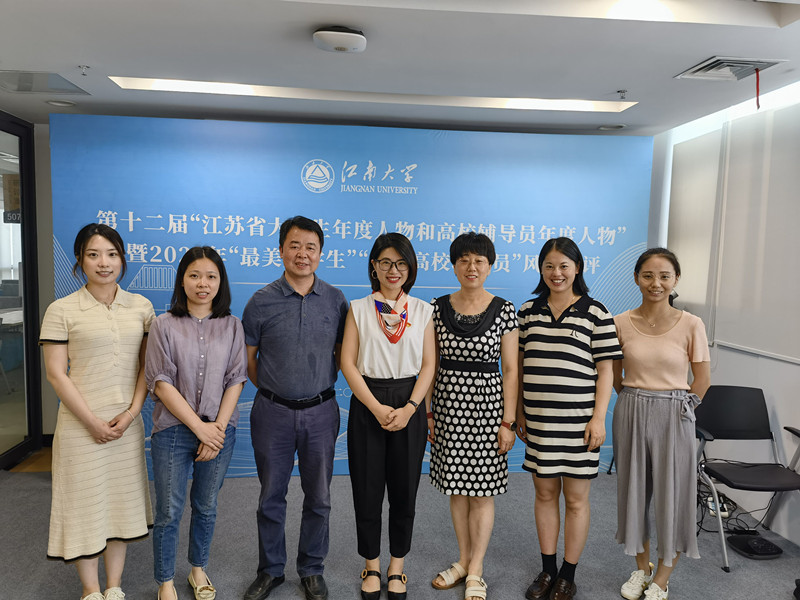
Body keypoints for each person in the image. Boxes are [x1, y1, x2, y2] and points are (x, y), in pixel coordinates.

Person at [39, 223, 154, 600]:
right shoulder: (61, 310)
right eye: (93, 255)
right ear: (79, 260)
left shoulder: (141, 307)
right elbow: (56, 374)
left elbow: (147, 367)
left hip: (126, 424)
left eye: (111, 254)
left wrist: (133, 412)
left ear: (122, 259)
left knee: (119, 504)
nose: (103, 263)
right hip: (80, 427)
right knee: (84, 505)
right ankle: (90, 590)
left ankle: (114, 586)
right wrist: (91, 422)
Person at [242, 216, 349, 600]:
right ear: (281, 250)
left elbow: (343, 355)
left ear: (320, 253)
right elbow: (249, 361)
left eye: (310, 247)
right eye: (295, 245)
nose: (302, 254)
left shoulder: (336, 300)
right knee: (271, 496)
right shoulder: (260, 301)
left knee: (319, 497)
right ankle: (270, 570)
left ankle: (311, 568)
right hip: (272, 412)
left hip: (321, 411)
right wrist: (279, 392)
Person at [516, 236, 622, 600]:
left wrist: (598, 419)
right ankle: (547, 570)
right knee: (545, 494)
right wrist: (519, 413)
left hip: (580, 425)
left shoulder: (597, 312)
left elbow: (606, 372)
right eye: (549, 266)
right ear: (540, 269)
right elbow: (519, 366)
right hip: (540, 422)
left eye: (564, 266)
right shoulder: (528, 311)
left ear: (578, 268)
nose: (556, 273)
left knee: (576, 500)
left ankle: (567, 574)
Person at [146, 246, 247, 600]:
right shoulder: (163, 325)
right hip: (173, 431)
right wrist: (200, 428)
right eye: (194, 276)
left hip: (219, 431)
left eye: (210, 276)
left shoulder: (233, 326)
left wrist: (216, 429)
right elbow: (160, 382)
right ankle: (165, 581)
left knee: (206, 506)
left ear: (221, 282)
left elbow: (236, 378)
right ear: (182, 281)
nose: (202, 284)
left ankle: (197, 569)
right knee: (168, 510)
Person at [340, 233, 436, 600]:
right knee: (367, 490)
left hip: (409, 402)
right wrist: (375, 407)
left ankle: (397, 566)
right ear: (374, 267)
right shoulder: (359, 309)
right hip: (369, 402)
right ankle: (372, 565)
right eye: (385, 263)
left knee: (404, 490)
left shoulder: (423, 311)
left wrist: (411, 408)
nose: (393, 270)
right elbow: (348, 364)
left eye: (401, 264)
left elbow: (428, 366)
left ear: (410, 268)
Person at [612, 248, 710, 600]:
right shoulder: (620, 322)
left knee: (674, 498)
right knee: (634, 494)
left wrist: (682, 408)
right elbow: (615, 377)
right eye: (648, 275)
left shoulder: (691, 324)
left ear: (675, 280)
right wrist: (637, 401)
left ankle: (662, 578)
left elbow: (702, 379)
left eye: (664, 276)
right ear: (636, 278)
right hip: (632, 409)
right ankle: (642, 569)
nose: (656, 283)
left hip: (675, 413)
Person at [428, 232, 518, 600]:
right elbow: (430, 365)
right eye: (464, 260)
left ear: (490, 266)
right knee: (456, 488)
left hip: (488, 410)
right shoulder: (436, 308)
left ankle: (476, 569)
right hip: (447, 407)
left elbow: (511, 369)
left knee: (481, 492)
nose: (471, 267)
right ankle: (463, 560)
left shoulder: (505, 310)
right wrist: (429, 414)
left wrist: (508, 422)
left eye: (479, 260)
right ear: (453, 265)